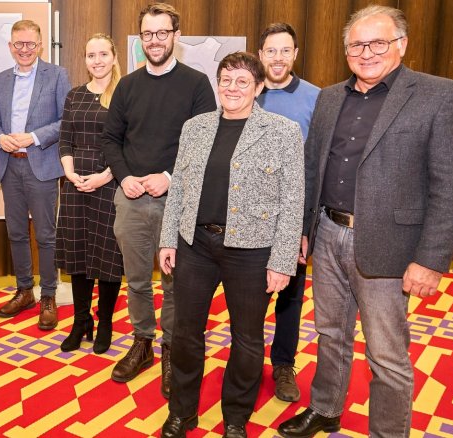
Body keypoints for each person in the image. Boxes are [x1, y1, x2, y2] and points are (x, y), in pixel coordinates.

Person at [278, 5, 453, 437]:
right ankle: (326, 408)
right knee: (330, 333)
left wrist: (431, 260)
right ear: (345, 50)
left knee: (387, 354)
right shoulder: (329, 98)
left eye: (378, 43)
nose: (366, 53)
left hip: (391, 246)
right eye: (356, 45)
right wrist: (302, 232)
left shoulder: (440, 95)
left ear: (401, 45)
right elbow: (313, 169)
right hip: (327, 233)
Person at [158, 52, 304, 438]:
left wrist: (282, 261)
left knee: (247, 339)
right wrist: (168, 238)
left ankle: (236, 417)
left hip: (253, 252)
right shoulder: (195, 127)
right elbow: (179, 190)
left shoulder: (283, 132)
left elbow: (293, 201)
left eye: (242, 81)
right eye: (225, 79)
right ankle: (182, 412)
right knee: (186, 334)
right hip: (196, 245)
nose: (232, 88)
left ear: (258, 88)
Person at [100, 2, 217, 397]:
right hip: (131, 198)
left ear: (175, 36)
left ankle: (171, 349)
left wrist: (168, 177)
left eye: (162, 33)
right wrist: (125, 176)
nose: (155, 41)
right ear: (140, 39)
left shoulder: (197, 84)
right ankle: (142, 342)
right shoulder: (127, 86)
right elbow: (110, 140)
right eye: (148, 34)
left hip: (178, 201)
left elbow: (203, 143)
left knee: (174, 283)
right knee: (136, 280)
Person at [0, 19, 70, 330]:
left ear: (40, 45)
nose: (25, 49)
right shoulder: (1, 79)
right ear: (10, 46)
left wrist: (32, 137)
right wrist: (0, 138)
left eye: (30, 44)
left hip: (43, 165)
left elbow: (65, 120)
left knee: (47, 236)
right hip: (10, 166)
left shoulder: (57, 75)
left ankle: (47, 294)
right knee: (16, 232)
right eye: (19, 44)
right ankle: (24, 291)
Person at [255, 22, 320, 402]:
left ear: (295, 54)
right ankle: (246, 360)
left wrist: (304, 224)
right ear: (260, 54)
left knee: (290, 298)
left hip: (293, 219)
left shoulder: (316, 97)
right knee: (249, 297)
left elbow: (316, 166)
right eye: (270, 51)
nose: (277, 58)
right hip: (249, 220)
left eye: (285, 50)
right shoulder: (246, 93)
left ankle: (283, 365)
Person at [56, 34, 124, 354]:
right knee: (79, 255)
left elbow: (128, 144)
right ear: (84, 59)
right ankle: (81, 321)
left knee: (108, 258)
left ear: (113, 56)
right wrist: (70, 174)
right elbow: (65, 140)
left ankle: (106, 322)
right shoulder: (75, 96)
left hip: (109, 183)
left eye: (102, 54)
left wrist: (104, 176)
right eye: (90, 55)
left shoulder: (124, 95)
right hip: (74, 185)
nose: (96, 60)